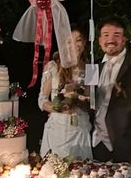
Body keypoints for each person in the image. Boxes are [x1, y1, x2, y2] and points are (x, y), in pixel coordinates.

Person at [92, 18, 131, 167]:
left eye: (116, 35)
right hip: (93, 144)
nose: (111, 40)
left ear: (124, 39)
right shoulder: (93, 67)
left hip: (124, 146)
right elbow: (88, 102)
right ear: (100, 40)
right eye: (106, 35)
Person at [38, 25, 92, 160]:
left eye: (78, 40)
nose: (74, 45)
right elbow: (42, 99)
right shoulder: (52, 67)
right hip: (57, 129)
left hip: (80, 130)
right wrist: (58, 108)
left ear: (84, 44)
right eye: (69, 41)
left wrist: (80, 100)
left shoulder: (91, 69)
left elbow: (93, 102)